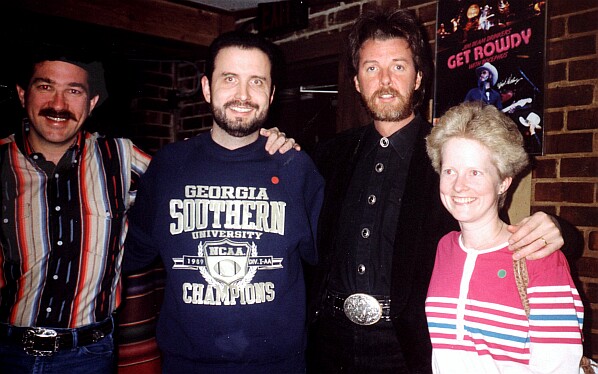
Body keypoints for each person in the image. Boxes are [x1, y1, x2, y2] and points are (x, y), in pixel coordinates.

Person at [0, 46, 299, 374]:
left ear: (92, 103)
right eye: (45, 87)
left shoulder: (122, 158)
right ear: (21, 93)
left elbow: (197, 172)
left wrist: (268, 142)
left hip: (88, 354)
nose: (58, 104)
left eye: (74, 91)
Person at [306, 8, 564, 373]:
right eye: (370, 68)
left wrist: (557, 228)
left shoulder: (450, 151)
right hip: (328, 344)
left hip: (408, 347)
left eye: (398, 67)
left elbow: (492, 220)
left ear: (418, 78)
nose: (384, 81)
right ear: (356, 82)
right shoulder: (326, 156)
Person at [123, 31, 324, 374]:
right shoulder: (169, 166)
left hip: (278, 366)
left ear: (272, 94)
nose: (243, 95)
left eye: (257, 82)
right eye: (229, 79)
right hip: (186, 365)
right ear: (206, 87)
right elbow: (127, 256)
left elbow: (327, 261)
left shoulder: (296, 167)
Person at [425, 101, 583, 373]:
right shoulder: (445, 248)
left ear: (503, 182)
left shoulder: (538, 255)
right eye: (450, 171)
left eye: (475, 172)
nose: (459, 185)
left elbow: (559, 368)